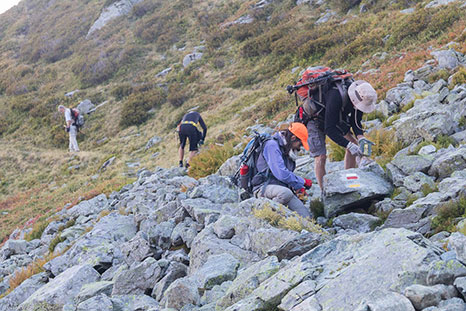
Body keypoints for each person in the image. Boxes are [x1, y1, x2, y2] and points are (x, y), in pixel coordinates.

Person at [305, 80, 377, 191]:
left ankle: (350, 180)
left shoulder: (362, 97)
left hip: (335, 116)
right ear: (354, 99)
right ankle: (325, 192)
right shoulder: (336, 97)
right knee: (321, 157)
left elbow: (355, 121)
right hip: (315, 119)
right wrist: (348, 145)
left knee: (354, 144)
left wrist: (361, 138)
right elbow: (329, 129)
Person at [253, 122, 313, 218]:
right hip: (263, 187)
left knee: (306, 217)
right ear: (293, 138)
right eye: (300, 144)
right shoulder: (272, 146)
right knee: (285, 193)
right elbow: (282, 174)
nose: (300, 148)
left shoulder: (287, 149)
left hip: (281, 188)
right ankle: (266, 215)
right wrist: (302, 182)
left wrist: (298, 187)